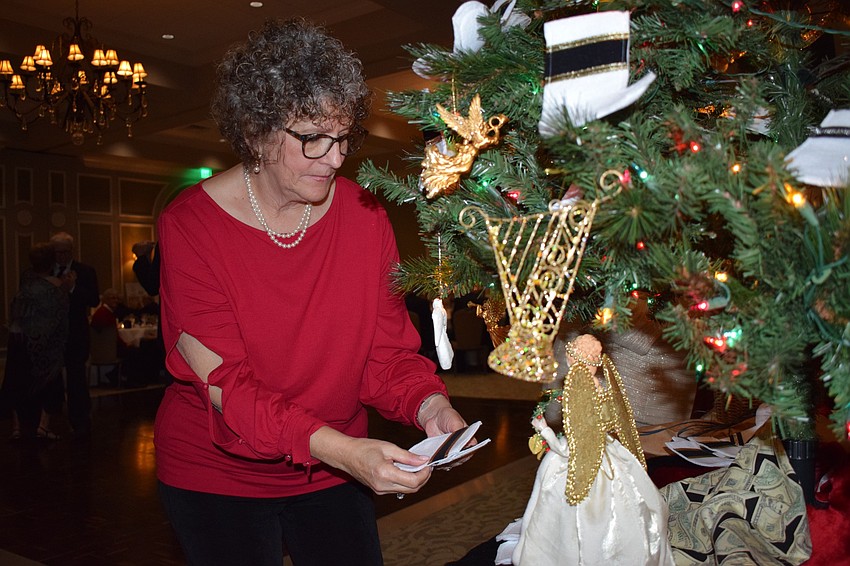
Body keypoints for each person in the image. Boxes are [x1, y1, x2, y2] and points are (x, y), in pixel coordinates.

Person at [154, 18, 473, 566]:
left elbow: (385, 351)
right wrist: (342, 450)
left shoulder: (364, 214)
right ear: (256, 132)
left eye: (344, 137)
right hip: (218, 475)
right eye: (312, 139)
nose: (334, 158)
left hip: (334, 467)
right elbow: (226, 386)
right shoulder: (190, 225)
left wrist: (428, 404)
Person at [0, 242, 68, 441]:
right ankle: (42, 426)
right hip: (44, 343)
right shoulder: (57, 289)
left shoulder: (26, 281)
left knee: (15, 381)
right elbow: (61, 322)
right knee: (48, 381)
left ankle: (17, 427)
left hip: (18, 340)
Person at [50, 232, 100, 437]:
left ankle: (80, 421)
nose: (61, 256)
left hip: (76, 334)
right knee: (50, 380)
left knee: (76, 379)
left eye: (65, 252)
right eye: (57, 252)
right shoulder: (46, 271)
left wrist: (73, 289)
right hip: (51, 335)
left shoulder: (85, 271)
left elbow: (94, 300)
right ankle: (51, 421)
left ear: (71, 251)